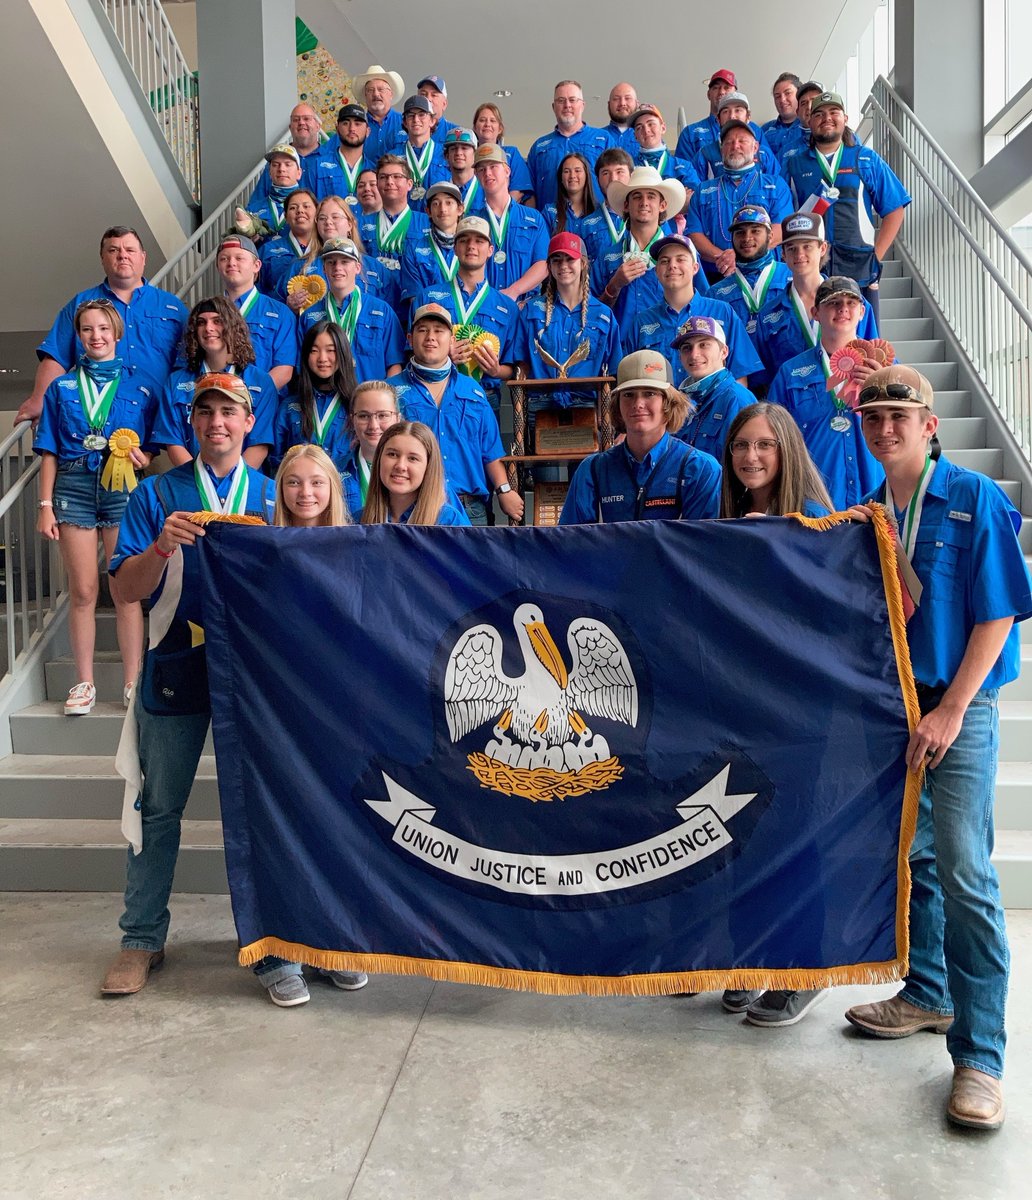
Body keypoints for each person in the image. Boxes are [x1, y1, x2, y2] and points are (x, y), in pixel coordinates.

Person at [843, 367, 1031, 1131]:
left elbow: (1000, 616)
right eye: (875, 416)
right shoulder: (868, 516)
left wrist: (952, 710)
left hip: (960, 701)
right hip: (895, 705)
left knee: (963, 867)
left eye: (901, 416)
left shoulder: (975, 498)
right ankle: (927, 991)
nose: (886, 427)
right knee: (911, 856)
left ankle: (981, 1057)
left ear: (931, 426)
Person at [99, 373, 276, 999]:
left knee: (259, 814)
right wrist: (160, 549)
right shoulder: (156, 494)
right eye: (206, 413)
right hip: (173, 667)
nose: (218, 423)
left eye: (229, 412)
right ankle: (140, 938)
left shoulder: (273, 493)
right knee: (160, 809)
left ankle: (269, 937)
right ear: (193, 424)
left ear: (249, 422)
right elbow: (123, 590)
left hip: (250, 679)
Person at [33, 299, 156, 716]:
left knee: (124, 590)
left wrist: (144, 459)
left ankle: (132, 682)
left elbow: (152, 449)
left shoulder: (140, 386)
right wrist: (45, 505)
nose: (96, 336)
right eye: (87, 329)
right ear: (79, 336)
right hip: (73, 487)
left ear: (117, 333)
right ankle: (83, 682)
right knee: (84, 590)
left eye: (104, 328)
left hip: (123, 490)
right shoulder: (61, 387)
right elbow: (48, 450)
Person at [19, 226, 188, 424]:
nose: (122, 255)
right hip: (93, 420)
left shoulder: (173, 307)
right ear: (102, 258)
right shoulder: (81, 304)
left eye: (130, 250)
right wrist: (39, 400)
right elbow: (56, 356)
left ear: (143, 257)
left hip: (159, 421)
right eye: (113, 250)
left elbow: (188, 363)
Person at [781, 91, 910, 322]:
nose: (826, 118)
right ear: (809, 121)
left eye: (834, 112)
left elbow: (894, 209)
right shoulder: (794, 164)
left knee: (861, 345)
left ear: (845, 118)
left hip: (859, 269)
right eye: (819, 114)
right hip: (811, 270)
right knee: (812, 335)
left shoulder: (865, 159)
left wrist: (875, 258)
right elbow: (784, 216)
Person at [392, 303, 523, 526]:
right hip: (413, 508)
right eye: (422, 330)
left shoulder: (473, 390)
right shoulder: (391, 392)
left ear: (452, 340)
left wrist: (504, 490)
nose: (430, 337)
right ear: (409, 338)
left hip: (470, 508)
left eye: (439, 330)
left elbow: (489, 450)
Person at [559, 350, 721, 524]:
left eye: (649, 393)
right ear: (617, 405)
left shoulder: (700, 469)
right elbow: (571, 542)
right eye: (628, 395)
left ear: (669, 402)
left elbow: (701, 545)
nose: (638, 404)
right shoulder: (592, 471)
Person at [766, 276, 885, 508]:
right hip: (814, 501)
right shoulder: (790, 373)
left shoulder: (884, 365)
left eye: (851, 303)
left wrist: (880, 389)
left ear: (862, 311)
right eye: (833, 303)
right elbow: (775, 439)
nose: (842, 309)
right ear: (816, 313)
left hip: (876, 494)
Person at [754, 210, 878, 388]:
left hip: (846, 403)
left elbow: (871, 354)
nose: (799, 254)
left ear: (823, 248)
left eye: (807, 246)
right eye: (792, 248)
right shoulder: (768, 314)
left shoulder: (855, 305)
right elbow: (762, 377)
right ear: (783, 254)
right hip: (791, 407)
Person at [152, 298, 277, 470]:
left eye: (217, 321)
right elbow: (174, 443)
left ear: (233, 327)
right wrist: (200, 482)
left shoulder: (260, 382)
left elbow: (260, 444)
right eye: (201, 322)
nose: (209, 328)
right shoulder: (176, 382)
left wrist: (232, 484)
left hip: (243, 485)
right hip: (192, 485)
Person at [410, 216, 519, 404]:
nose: (471, 246)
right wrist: (440, 357)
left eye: (479, 240)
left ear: (490, 250)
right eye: (464, 240)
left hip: (486, 397)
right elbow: (410, 354)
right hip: (435, 394)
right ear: (455, 248)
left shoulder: (507, 307)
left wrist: (495, 370)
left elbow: (514, 366)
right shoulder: (427, 297)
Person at [629, 233, 762, 387]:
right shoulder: (641, 322)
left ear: (695, 268)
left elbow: (739, 377)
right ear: (657, 271)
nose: (672, 265)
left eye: (680, 259)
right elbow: (633, 381)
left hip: (714, 410)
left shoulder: (723, 312)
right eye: (664, 261)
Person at [686, 122, 793, 281]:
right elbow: (694, 235)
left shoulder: (776, 185)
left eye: (742, 141)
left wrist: (738, 255)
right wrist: (724, 258)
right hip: (716, 277)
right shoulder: (702, 191)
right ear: (722, 150)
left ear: (755, 147)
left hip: (767, 276)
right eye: (728, 142)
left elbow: (780, 230)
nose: (735, 146)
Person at [590, 166, 685, 343]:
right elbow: (590, 315)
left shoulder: (682, 254)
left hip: (670, 351)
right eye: (636, 196)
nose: (644, 202)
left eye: (651, 196)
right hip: (620, 352)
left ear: (662, 205)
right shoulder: (607, 258)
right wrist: (614, 286)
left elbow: (698, 304)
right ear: (626, 205)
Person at [298, 237, 405, 382]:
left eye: (345, 261)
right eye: (331, 262)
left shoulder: (382, 311)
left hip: (370, 401)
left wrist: (383, 399)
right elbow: (302, 367)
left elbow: (394, 365)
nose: (337, 267)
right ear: (324, 268)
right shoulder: (309, 316)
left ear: (357, 268)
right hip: (328, 402)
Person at [706, 206, 791, 368]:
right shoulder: (716, 293)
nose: (747, 238)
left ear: (770, 235)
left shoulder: (792, 277)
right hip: (742, 382)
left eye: (755, 231)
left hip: (783, 381)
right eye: (740, 232)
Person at [718, 400, 832, 518]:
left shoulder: (812, 516)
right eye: (741, 444)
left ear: (788, 450)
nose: (750, 457)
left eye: (765, 444)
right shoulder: (733, 508)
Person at [215, 234, 297, 393]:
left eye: (239, 258)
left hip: (263, 406)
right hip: (217, 405)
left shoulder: (280, 313)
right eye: (224, 259)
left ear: (257, 265)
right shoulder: (207, 313)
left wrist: (248, 398)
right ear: (218, 267)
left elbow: (284, 370)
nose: (231, 263)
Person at [272, 321, 358, 472]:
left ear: (343, 353)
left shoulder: (358, 405)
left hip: (347, 493)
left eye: (331, 350)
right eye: (314, 350)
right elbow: (276, 463)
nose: (322, 358)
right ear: (305, 355)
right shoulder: (290, 407)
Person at [670, 316, 755, 460]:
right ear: (680, 358)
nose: (694, 354)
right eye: (686, 348)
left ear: (724, 352)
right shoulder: (679, 400)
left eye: (704, 345)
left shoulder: (738, 399)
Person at [470, 144, 549, 301]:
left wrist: (514, 291)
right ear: (477, 176)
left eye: (493, 166)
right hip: (484, 307)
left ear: (507, 171)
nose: (488, 173)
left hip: (524, 307)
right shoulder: (471, 222)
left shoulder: (534, 218)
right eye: (481, 169)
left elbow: (543, 264)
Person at [361, 420, 471, 526]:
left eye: (412, 458)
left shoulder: (449, 522)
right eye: (392, 454)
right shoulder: (359, 521)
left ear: (428, 467)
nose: (400, 466)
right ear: (379, 459)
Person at [357, 156, 431, 312]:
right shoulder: (360, 225)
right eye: (383, 177)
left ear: (409, 184)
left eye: (397, 177)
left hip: (413, 308)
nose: (390, 182)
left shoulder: (427, 224)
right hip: (373, 306)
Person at [527, 80, 614, 208]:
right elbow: (529, 192)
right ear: (553, 107)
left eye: (572, 100)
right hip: (551, 224)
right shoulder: (539, 147)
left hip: (597, 222)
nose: (567, 105)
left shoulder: (604, 139)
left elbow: (617, 182)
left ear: (583, 105)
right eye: (561, 101)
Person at [337, 380, 401, 514]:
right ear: (352, 420)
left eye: (383, 415)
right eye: (363, 416)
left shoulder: (417, 470)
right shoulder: (334, 471)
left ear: (397, 418)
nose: (373, 425)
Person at [399, 181, 464, 311]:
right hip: (431, 323)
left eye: (449, 202)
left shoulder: (473, 247)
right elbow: (415, 300)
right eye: (436, 203)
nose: (442, 209)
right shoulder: (413, 249)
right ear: (428, 211)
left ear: (460, 209)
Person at [314, 195, 390, 302]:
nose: (328, 222)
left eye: (335, 217)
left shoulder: (375, 267)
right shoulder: (302, 267)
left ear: (350, 224)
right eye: (322, 218)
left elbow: (391, 310)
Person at [692, 92, 779, 181]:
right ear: (718, 119)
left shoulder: (764, 154)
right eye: (726, 111)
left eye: (738, 110)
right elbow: (696, 192)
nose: (732, 116)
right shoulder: (704, 155)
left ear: (748, 116)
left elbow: (777, 188)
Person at [248, 103, 326, 203]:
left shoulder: (332, 160)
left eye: (306, 118)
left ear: (318, 126)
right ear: (290, 127)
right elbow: (257, 203)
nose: (301, 122)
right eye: (296, 119)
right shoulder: (276, 164)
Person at [258, 189, 322, 306]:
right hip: (279, 317)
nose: (300, 211)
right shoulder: (266, 250)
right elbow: (259, 292)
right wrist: (283, 305)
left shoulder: (326, 249)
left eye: (306, 206)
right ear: (286, 217)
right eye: (293, 208)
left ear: (317, 214)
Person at [630, 104, 700, 201]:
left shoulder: (684, 166)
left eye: (651, 124)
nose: (646, 130)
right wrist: (677, 198)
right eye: (639, 127)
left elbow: (693, 201)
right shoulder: (629, 167)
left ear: (663, 128)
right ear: (635, 136)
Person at [274, 443, 351, 527]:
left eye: (317, 482)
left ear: (332, 487)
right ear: (281, 488)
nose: (305, 493)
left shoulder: (354, 539)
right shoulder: (263, 539)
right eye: (294, 482)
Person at [393, 94, 449, 210]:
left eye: (422, 114)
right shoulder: (393, 157)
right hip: (405, 222)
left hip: (438, 220)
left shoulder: (445, 154)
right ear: (404, 122)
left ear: (432, 120)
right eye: (411, 115)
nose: (416, 120)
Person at [580, 148, 635, 260]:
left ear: (632, 175)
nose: (613, 179)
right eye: (605, 173)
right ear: (597, 179)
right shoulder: (586, 225)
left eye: (619, 172)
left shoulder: (650, 217)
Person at [312, 103, 373, 204]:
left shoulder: (374, 171)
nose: (352, 128)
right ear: (337, 129)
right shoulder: (317, 166)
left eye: (357, 124)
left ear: (368, 131)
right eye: (345, 123)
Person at [472, 103, 533, 201]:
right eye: (482, 120)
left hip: (506, 212)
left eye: (492, 120)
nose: (487, 124)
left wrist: (498, 213)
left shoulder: (512, 153)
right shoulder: (469, 156)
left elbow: (517, 191)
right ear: (475, 127)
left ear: (500, 128)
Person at [245, 144, 303, 240]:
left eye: (288, 164)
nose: (281, 169)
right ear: (270, 173)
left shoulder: (310, 208)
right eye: (275, 165)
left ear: (299, 173)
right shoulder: (252, 210)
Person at [354, 64, 406, 164]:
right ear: (365, 95)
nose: (376, 94)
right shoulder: (354, 126)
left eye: (381, 89)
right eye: (370, 90)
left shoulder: (406, 122)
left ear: (391, 94)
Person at [541, 153, 598, 239]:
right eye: (566, 171)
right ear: (561, 178)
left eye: (577, 170)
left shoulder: (599, 211)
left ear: (587, 176)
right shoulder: (549, 212)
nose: (572, 176)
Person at [761, 73, 807, 161]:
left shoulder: (809, 127)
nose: (782, 100)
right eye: (777, 96)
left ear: (800, 94)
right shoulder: (764, 130)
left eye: (788, 93)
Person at [442, 127, 481, 212]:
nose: (459, 153)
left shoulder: (486, 192)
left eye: (464, 148)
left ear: (475, 154)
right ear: (446, 156)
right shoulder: (439, 193)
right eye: (453, 149)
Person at [418, 75, 456, 146]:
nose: (428, 99)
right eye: (423, 94)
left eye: (434, 95)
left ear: (444, 104)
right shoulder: (407, 129)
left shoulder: (454, 133)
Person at [604, 82, 640, 153]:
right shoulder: (596, 137)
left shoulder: (647, 136)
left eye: (627, 98)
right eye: (616, 99)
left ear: (637, 104)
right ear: (609, 105)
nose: (622, 103)